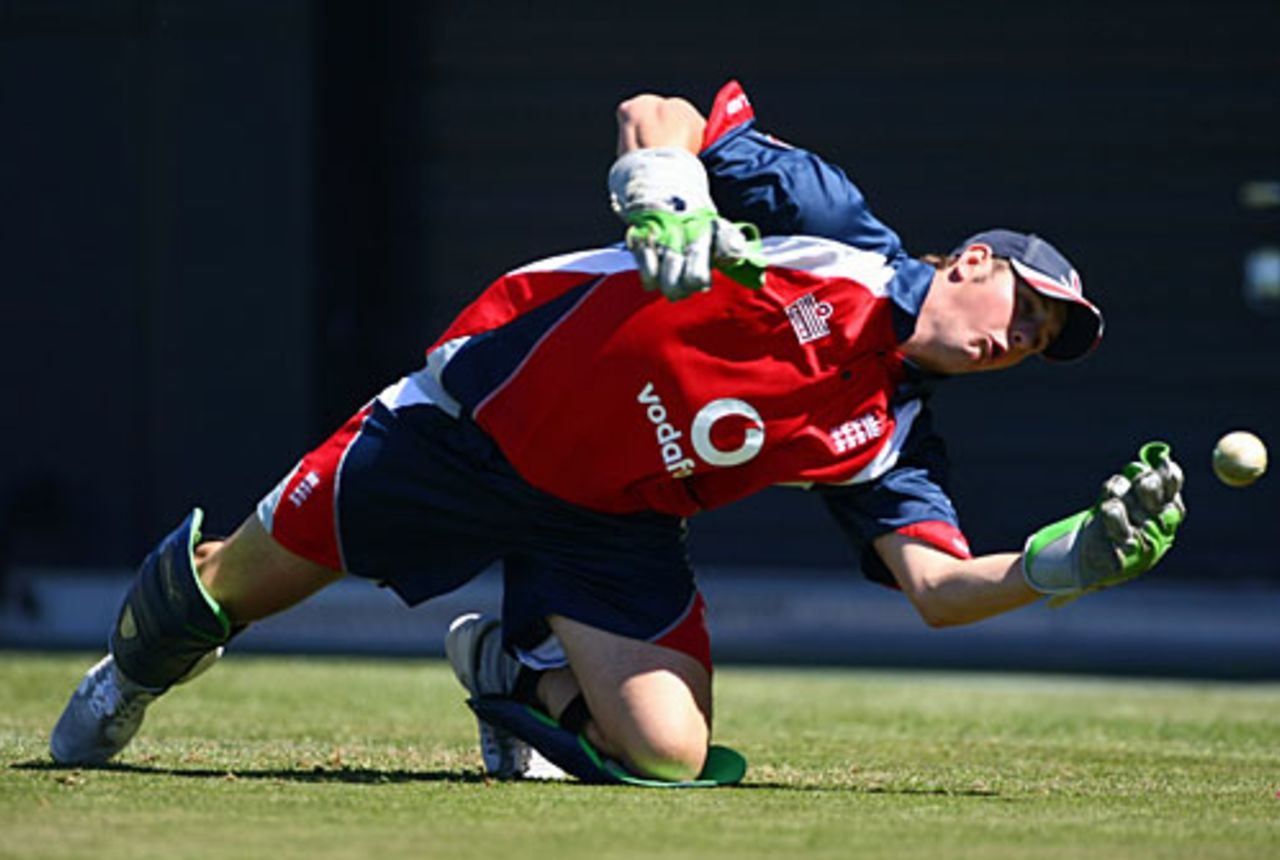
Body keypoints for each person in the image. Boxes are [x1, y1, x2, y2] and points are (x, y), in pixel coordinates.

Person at [49, 81, 1185, 787]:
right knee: (228, 587)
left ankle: (512, 658)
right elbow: (658, 110)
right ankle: (132, 670)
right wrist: (663, 187)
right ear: (972, 261)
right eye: (1023, 309)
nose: (1016, 338)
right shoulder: (829, 223)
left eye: (1039, 341)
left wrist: (1065, 563)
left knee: (668, 755)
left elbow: (936, 584)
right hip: (466, 430)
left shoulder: (889, 431)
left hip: (606, 526)